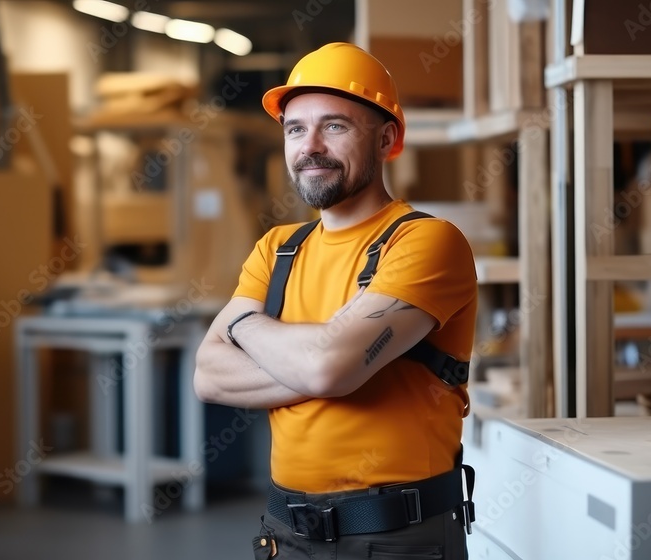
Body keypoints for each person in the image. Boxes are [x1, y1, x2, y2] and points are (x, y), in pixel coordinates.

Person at [193, 42, 478, 559]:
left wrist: (242, 327)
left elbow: (328, 370)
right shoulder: (277, 248)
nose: (310, 146)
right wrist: (327, 356)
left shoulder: (425, 242)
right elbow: (208, 376)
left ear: (387, 138)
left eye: (335, 126)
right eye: (296, 128)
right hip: (285, 534)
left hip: (396, 539)